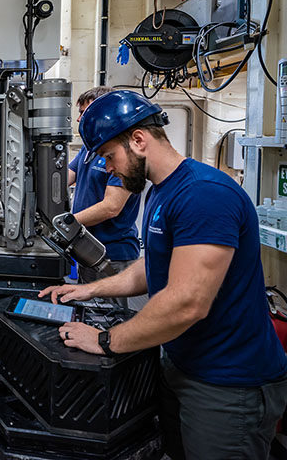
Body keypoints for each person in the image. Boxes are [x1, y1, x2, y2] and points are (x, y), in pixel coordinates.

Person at [40, 90, 287, 460]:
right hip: (182, 364)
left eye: (109, 156)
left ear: (138, 141)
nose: (107, 168)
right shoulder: (162, 191)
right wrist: (88, 292)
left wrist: (105, 340)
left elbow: (187, 303)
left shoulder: (203, 194)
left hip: (226, 385)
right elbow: (151, 265)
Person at [68, 86, 140, 287]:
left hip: (111, 255)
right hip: (87, 248)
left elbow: (112, 207)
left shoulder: (126, 154)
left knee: (108, 315)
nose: (78, 119)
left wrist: (67, 224)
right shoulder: (89, 149)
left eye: (83, 112)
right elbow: (64, 177)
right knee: (89, 311)